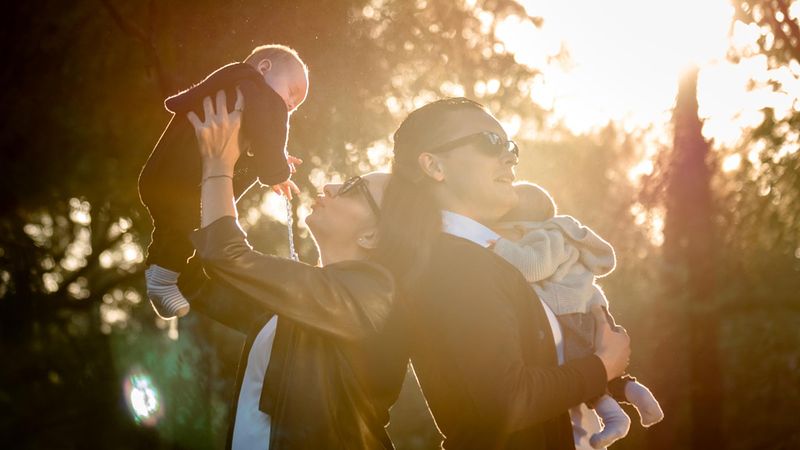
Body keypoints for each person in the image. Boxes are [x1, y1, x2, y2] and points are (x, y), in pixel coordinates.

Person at [375, 97, 631, 449]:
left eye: (511, 146)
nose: (510, 156)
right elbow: (508, 400)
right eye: (489, 142)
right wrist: (603, 366)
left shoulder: (486, 256)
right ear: (435, 167)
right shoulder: (456, 265)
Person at [176, 89, 408, 449]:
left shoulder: (372, 295)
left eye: (353, 187)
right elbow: (194, 276)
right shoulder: (300, 304)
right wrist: (250, 164)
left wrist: (219, 165)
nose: (330, 185)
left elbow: (225, 254)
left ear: (372, 235)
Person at [140, 44, 309, 319]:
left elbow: (256, 140)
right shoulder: (260, 93)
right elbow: (268, 136)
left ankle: (165, 276)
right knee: (192, 226)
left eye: (296, 105)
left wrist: (271, 161)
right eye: (292, 93)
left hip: (157, 176)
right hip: (185, 186)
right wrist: (277, 172)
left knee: (171, 226)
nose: (290, 105)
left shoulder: (231, 83)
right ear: (264, 68)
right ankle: (163, 280)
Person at [492, 182, 664, 449]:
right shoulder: (563, 237)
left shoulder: (541, 239)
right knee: (601, 369)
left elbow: (533, 267)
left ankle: (615, 419)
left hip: (567, 318)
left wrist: (499, 248)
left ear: (519, 226)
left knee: (583, 372)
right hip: (585, 313)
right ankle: (635, 392)